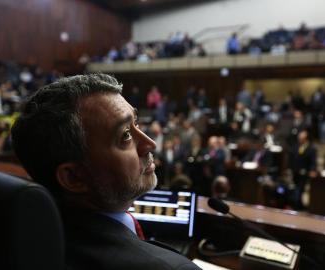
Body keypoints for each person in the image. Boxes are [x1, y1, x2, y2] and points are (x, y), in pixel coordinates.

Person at [11, 74, 201, 270]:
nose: (149, 144)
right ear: (73, 177)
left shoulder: (26, 240)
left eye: (136, 123)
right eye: (125, 135)